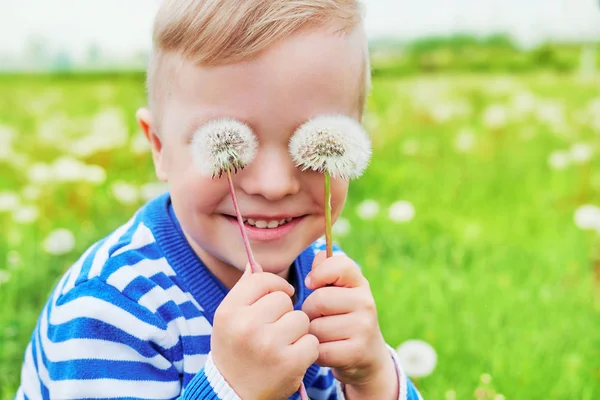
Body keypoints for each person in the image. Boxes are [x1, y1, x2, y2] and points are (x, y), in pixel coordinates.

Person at [16, 1, 422, 399]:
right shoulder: (113, 309)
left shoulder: (322, 273)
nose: (274, 185)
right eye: (229, 145)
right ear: (159, 147)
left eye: (315, 144)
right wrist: (231, 388)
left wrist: (372, 379)